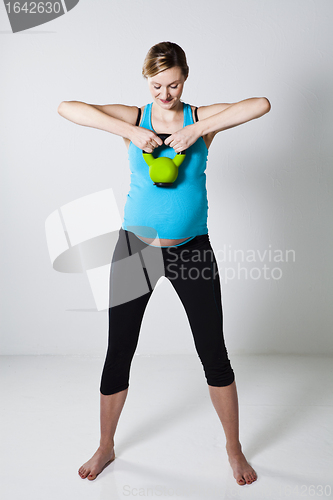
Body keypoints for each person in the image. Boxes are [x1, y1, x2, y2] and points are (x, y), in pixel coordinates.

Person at [58, 41, 271, 486]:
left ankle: (233, 449)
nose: (165, 94)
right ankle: (106, 446)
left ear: (185, 78)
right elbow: (67, 108)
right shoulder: (135, 116)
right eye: (157, 85)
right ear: (146, 80)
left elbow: (260, 104)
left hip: (192, 248)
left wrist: (199, 130)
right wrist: (132, 132)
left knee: (214, 352)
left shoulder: (199, 118)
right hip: (136, 248)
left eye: (173, 84)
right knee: (120, 351)